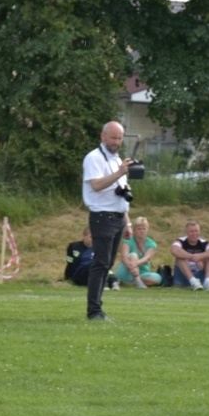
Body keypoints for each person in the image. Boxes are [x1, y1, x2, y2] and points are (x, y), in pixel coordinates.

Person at [82, 121, 135, 321]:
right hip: (102, 216)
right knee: (100, 263)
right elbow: (96, 185)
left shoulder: (116, 160)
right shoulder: (94, 158)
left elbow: (121, 193)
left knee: (107, 263)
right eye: (113, 137)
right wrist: (119, 173)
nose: (116, 142)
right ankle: (94, 310)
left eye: (120, 138)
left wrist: (127, 221)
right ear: (102, 136)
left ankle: (98, 307)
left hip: (118, 217)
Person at [171, 221, 209, 291]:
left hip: (198, 274)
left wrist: (201, 256)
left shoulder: (204, 242)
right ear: (187, 233)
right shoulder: (180, 241)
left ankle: (208, 282)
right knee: (180, 257)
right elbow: (174, 250)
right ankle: (192, 281)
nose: (194, 234)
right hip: (182, 275)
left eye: (196, 231)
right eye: (191, 231)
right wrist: (191, 257)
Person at [116, 216, 162, 288]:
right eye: (139, 229)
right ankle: (137, 280)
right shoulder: (127, 241)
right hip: (126, 270)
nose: (142, 231)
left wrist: (135, 264)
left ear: (147, 230)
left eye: (144, 229)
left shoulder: (152, 244)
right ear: (134, 230)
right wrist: (132, 267)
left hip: (142, 272)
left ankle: (134, 281)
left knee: (157, 278)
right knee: (133, 255)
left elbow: (147, 258)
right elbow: (124, 258)